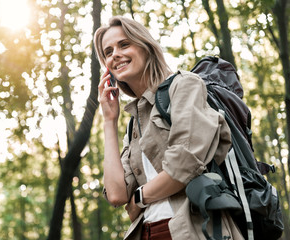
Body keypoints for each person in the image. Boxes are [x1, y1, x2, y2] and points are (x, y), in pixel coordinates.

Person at [95, 16, 244, 240]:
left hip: (193, 230)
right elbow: (116, 194)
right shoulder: (134, 122)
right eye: (108, 52)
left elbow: (183, 166)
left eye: (124, 44)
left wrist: (138, 198)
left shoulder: (184, 86)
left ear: (146, 47)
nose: (115, 54)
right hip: (145, 233)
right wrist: (109, 120)